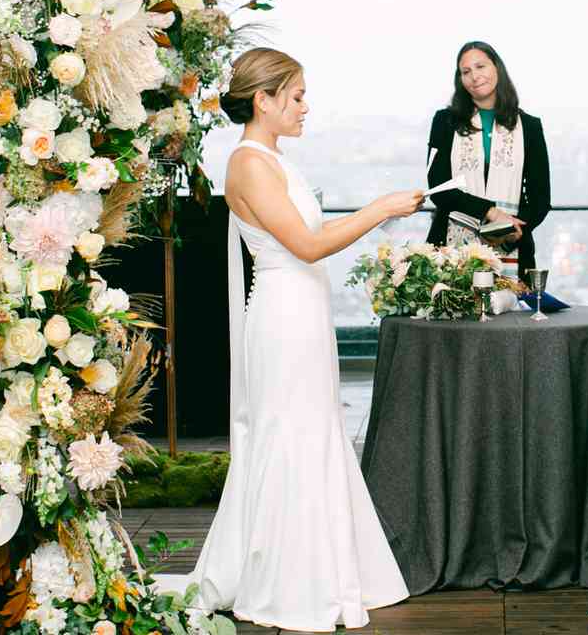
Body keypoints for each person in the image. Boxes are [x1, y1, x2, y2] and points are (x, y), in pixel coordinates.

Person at [157, 48, 422, 631]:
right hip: (282, 313)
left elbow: (312, 233)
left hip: (302, 309)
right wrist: (377, 209)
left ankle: (327, 569)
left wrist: (378, 213)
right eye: (297, 96)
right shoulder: (250, 164)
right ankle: (291, 580)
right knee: (292, 435)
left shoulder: (274, 160)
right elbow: (306, 246)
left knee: (315, 430)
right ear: (265, 100)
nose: (305, 107)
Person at [426, 41, 552, 281]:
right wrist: (490, 212)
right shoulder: (444, 122)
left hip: (513, 248)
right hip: (449, 248)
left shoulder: (530, 127)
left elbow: (540, 198)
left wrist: (513, 231)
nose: (474, 76)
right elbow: (439, 188)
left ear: (497, 68)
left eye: (480, 66)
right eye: (466, 72)